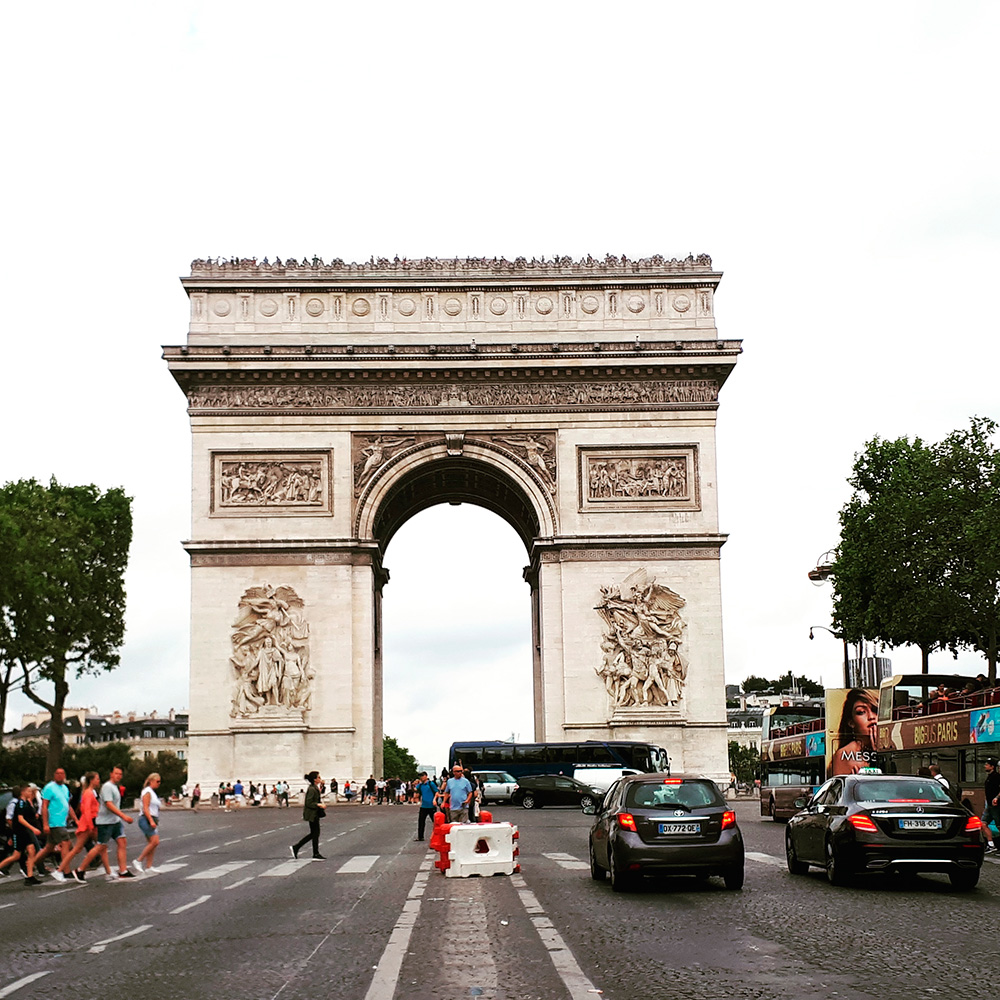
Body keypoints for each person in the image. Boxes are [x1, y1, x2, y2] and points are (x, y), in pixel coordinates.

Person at [78, 765, 135, 880]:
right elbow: (109, 804)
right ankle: (80, 869)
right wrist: (123, 816)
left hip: (114, 821)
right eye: (116, 773)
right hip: (105, 822)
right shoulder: (108, 787)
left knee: (122, 842)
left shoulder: (114, 787)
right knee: (100, 846)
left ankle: (123, 870)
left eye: (120, 774)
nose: (118, 776)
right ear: (111, 774)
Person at [57, 771, 100, 881]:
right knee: (78, 848)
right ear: (91, 780)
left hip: (89, 824)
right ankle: (63, 870)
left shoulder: (89, 792)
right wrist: (90, 825)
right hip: (87, 825)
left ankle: (109, 871)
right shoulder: (88, 793)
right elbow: (86, 810)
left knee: (101, 846)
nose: (98, 781)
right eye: (97, 778)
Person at [39, 767, 78, 881]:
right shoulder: (49, 788)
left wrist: (75, 819)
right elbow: (44, 806)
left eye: (62, 773)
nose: (60, 775)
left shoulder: (65, 788)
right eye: (57, 773)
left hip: (62, 822)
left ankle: (32, 863)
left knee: (48, 848)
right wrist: (45, 823)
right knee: (66, 844)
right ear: (54, 775)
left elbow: (68, 805)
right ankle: (65, 871)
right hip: (54, 822)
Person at [0, 785, 43, 884]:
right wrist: (33, 829)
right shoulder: (20, 804)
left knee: (31, 851)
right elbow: (20, 819)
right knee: (16, 856)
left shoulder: (26, 802)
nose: (30, 793)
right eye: (28, 791)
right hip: (20, 832)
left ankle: (30, 876)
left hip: (25, 832)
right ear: (22, 792)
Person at [831, 688, 879, 776]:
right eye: (861, 712)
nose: (871, 717)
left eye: (875, 710)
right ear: (851, 722)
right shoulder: (845, 754)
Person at [291, 771, 326, 860]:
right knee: (314, 833)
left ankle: (314, 852)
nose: (320, 778)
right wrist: (319, 805)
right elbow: (309, 802)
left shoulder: (314, 788)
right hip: (312, 814)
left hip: (314, 813)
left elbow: (319, 794)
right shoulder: (311, 789)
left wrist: (322, 786)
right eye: (319, 777)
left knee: (315, 834)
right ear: (315, 779)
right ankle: (298, 847)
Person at [133, 772, 162, 874]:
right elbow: (145, 807)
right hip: (146, 818)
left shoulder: (152, 792)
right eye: (157, 781)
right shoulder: (147, 792)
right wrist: (150, 821)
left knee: (152, 843)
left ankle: (149, 866)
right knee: (155, 841)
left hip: (152, 818)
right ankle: (138, 860)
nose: (159, 783)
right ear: (151, 781)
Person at [983, 757, 1000, 853]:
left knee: (999, 826)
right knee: (983, 824)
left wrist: (997, 798)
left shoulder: (997, 777)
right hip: (989, 805)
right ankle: (991, 844)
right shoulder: (989, 777)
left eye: (987, 764)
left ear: (992, 767)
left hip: (996, 806)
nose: (985, 766)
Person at [415, 772, 437, 842]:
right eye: (420, 776)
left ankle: (437, 835)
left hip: (431, 805)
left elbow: (436, 792)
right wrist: (414, 784)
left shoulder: (431, 784)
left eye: (422, 776)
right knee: (421, 821)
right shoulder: (420, 785)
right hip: (424, 805)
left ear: (426, 776)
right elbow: (415, 790)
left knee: (435, 821)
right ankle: (420, 836)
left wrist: (434, 800)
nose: (421, 778)